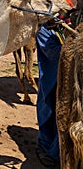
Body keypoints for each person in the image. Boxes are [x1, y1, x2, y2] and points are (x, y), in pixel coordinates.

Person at [35, 16, 67, 168]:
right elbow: (53, 54)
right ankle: (47, 149)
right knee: (48, 110)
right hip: (50, 79)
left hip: (65, 79)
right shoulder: (43, 32)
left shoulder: (65, 28)